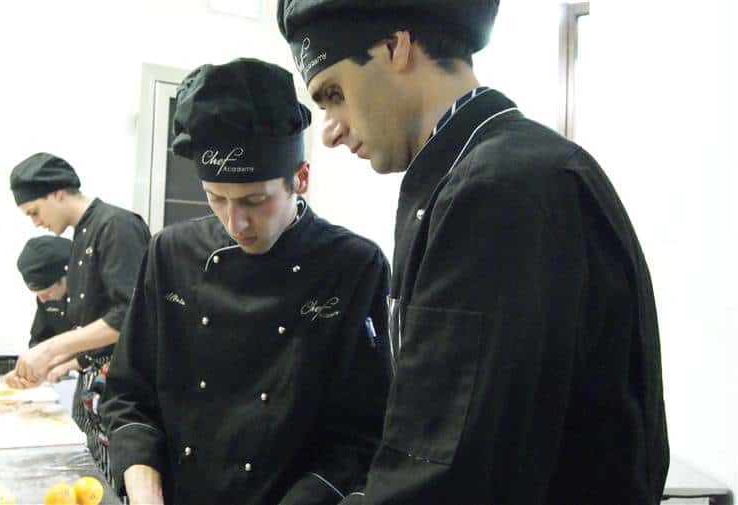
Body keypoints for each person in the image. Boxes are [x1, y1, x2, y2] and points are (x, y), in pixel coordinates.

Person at [277, 1, 669, 503]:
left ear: (395, 47)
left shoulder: (497, 191)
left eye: (334, 94)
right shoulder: (500, 168)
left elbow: (448, 473)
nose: (330, 130)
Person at [102, 58, 393, 505]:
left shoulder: (354, 265)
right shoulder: (170, 253)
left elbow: (361, 435)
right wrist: (145, 492)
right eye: (216, 198)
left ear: (300, 178)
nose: (235, 222)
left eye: (255, 200)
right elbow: (129, 395)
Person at [8, 152, 151, 481]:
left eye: (35, 211)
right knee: (92, 479)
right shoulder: (83, 234)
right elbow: (92, 326)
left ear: (57, 193)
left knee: (118, 485)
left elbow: (128, 315)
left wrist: (49, 349)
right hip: (95, 384)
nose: (36, 222)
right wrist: (51, 363)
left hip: (125, 389)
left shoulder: (116, 225)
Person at [14, 235, 73, 353]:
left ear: (66, 276)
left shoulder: (95, 294)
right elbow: (39, 337)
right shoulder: (45, 301)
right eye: (37, 294)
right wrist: (35, 355)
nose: (43, 300)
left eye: (48, 293)